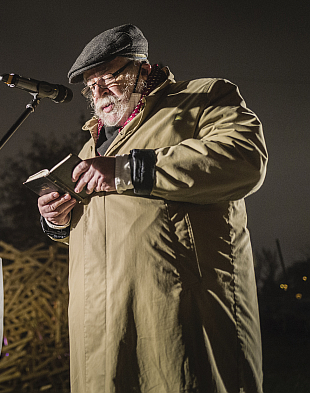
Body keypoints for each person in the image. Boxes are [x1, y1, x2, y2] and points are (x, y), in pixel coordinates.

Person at [37, 24, 267, 393]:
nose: (100, 93)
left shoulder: (202, 99)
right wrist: (58, 222)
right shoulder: (87, 151)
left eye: (109, 78)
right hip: (100, 335)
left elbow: (244, 160)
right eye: (91, 86)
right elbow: (106, 235)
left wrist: (130, 170)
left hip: (179, 322)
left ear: (142, 69)